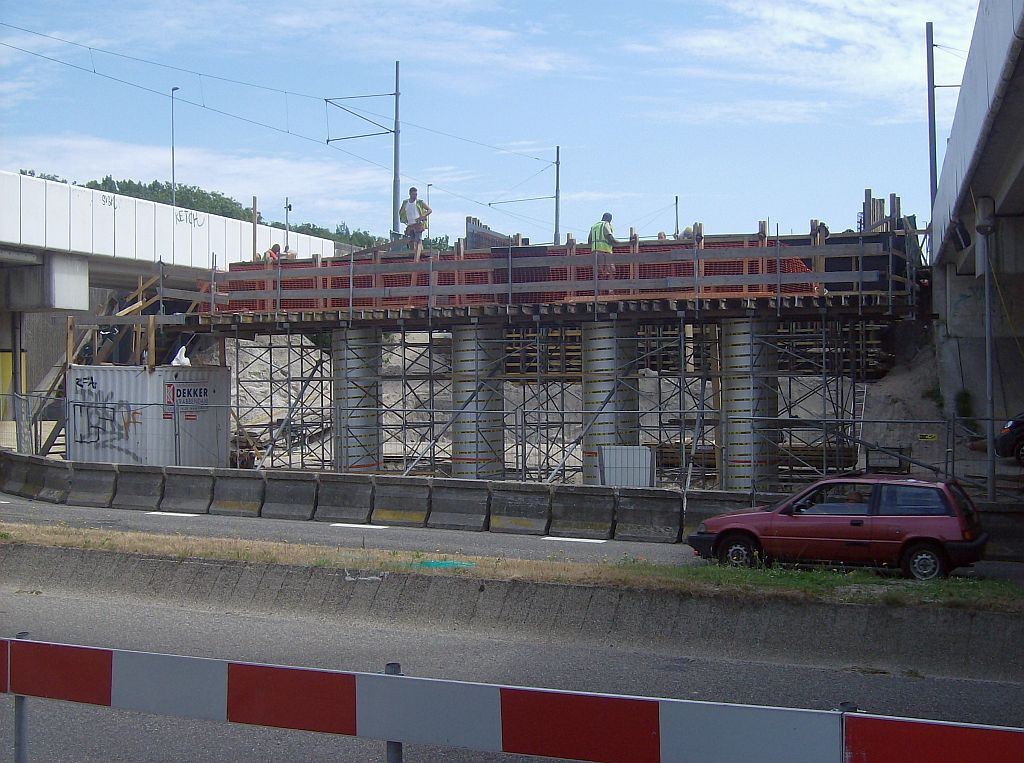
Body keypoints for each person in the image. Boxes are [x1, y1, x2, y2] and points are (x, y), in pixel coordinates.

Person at [399, 187, 432, 262]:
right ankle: (414, 256)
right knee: (411, 241)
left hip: (418, 224)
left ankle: (419, 257)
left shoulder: (419, 202)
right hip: (410, 224)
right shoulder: (405, 202)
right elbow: (401, 212)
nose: (415, 196)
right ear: (410, 194)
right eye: (414, 194)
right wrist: (404, 219)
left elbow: (429, 210)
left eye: (416, 194)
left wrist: (423, 216)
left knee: (418, 240)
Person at [588, 212, 619, 278]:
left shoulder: (594, 226)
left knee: (598, 271)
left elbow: (589, 240)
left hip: (595, 252)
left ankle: (598, 287)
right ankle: (610, 287)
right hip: (605, 251)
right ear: (609, 219)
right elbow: (609, 237)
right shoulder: (606, 224)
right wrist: (617, 242)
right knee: (611, 270)